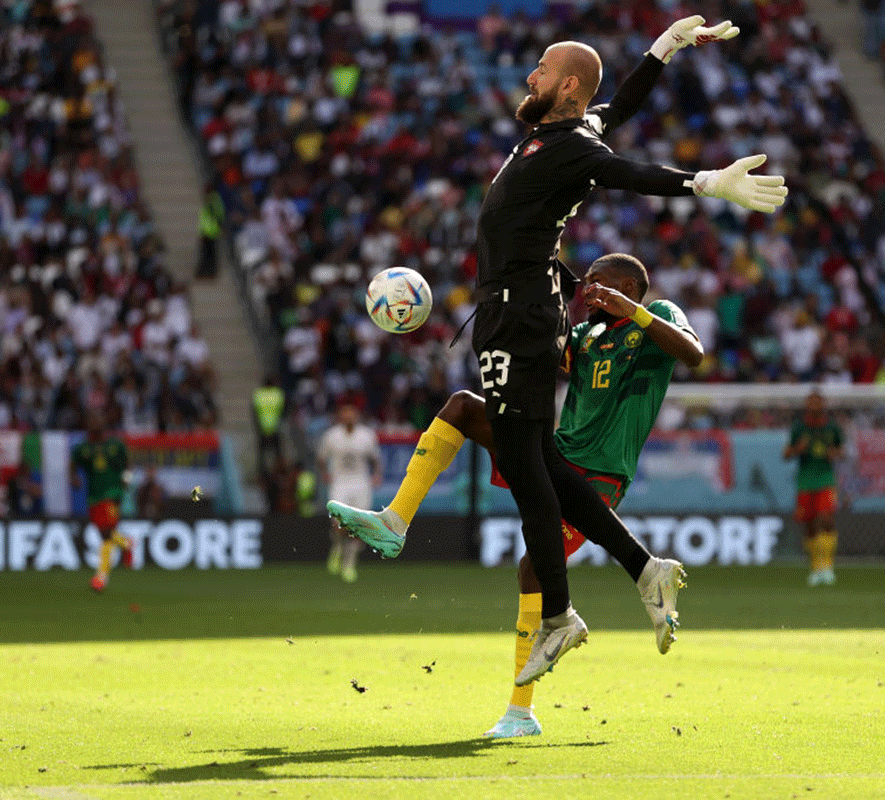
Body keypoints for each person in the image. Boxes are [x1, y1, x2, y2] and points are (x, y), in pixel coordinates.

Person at [339, 16, 786, 685]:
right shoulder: (557, 136)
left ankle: (558, 615)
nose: (530, 77)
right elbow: (622, 106)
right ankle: (643, 568)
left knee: (526, 468)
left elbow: (624, 170)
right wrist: (664, 48)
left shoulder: (573, 146)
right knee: (539, 458)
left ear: (567, 86)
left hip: (523, 317)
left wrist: (704, 183)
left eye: (542, 70)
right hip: (510, 314)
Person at [332, 253, 703, 736]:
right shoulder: (585, 336)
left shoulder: (659, 316)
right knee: (464, 406)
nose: (588, 290)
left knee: (533, 568)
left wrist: (633, 310)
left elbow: (693, 353)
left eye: (599, 283)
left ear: (630, 285)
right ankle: (396, 519)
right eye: (585, 283)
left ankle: (520, 711)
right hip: (554, 452)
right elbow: (534, 356)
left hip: (600, 473)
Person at [782, 390, 843, 586]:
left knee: (826, 518)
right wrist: (798, 449)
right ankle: (816, 566)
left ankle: (828, 566)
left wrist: (836, 453)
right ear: (807, 405)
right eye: (811, 402)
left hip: (826, 478)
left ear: (823, 404)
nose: (814, 405)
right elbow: (786, 454)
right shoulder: (800, 427)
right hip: (805, 480)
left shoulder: (832, 427)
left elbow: (842, 450)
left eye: (818, 402)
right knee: (808, 524)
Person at [317, 402, 382, 583]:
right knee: (338, 523)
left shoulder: (366, 435)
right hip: (340, 482)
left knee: (359, 526)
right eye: (345, 414)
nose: (348, 417)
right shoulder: (332, 436)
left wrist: (377, 475)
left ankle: (349, 564)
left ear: (357, 416)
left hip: (361, 483)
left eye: (351, 414)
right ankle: (337, 548)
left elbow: (375, 458)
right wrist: (324, 473)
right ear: (340, 417)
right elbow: (321, 458)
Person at [73, 414, 133, 593]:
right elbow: (73, 464)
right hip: (94, 496)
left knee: (106, 533)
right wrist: (73, 477)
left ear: (104, 424)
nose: (95, 423)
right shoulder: (83, 448)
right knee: (103, 533)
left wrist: (126, 480)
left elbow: (128, 463)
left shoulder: (115, 445)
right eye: (92, 421)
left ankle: (101, 577)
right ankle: (125, 543)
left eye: (98, 420)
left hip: (113, 493)